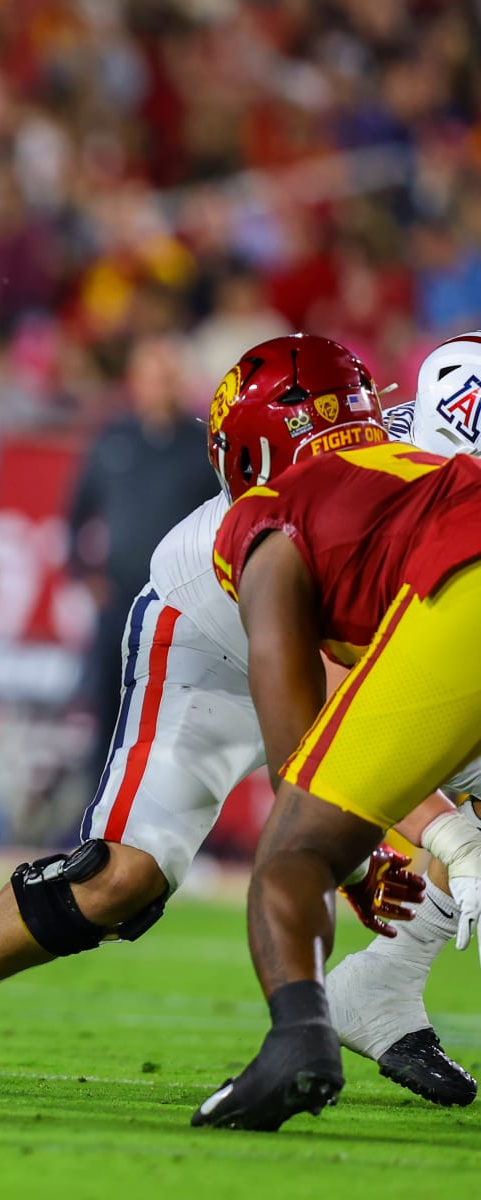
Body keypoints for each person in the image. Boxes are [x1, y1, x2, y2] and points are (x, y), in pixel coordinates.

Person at [0, 335, 481, 1116]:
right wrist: (388, 851)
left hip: (341, 644)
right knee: (124, 876)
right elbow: (317, 742)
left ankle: (385, 986)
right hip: (208, 645)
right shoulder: (279, 521)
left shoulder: (409, 460)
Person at [192, 349, 481, 1130]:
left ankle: (299, 1043)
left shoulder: (267, 512)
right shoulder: (422, 461)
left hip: (466, 583)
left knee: (293, 850)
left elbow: (296, 751)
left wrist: (353, 862)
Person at [68, 332, 220, 780]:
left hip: (183, 608)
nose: (162, 385)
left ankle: (174, 834)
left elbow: (227, 523)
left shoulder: (204, 447)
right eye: (153, 376)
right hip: (119, 600)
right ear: (135, 381)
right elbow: (76, 514)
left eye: (170, 376)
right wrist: (84, 574)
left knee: (178, 718)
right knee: (109, 712)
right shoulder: (112, 439)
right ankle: (95, 827)